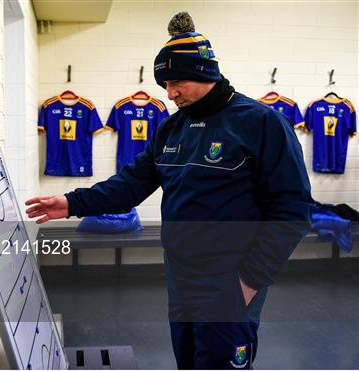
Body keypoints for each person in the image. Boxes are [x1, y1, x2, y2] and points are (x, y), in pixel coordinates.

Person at [26, 12, 312, 370]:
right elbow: (130, 184)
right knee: (188, 361)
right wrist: (71, 202)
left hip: (230, 278)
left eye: (177, 82)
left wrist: (249, 282)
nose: (170, 92)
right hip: (180, 277)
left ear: (205, 73)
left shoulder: (262, 123)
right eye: (165, 84)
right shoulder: (171, 129)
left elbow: (292, 211)